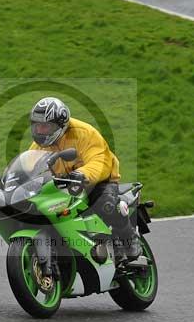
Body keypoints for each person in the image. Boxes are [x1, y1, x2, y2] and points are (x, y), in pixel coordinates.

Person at [28, 96, 141, 260]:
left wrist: (83, 174)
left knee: (106, 205)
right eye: (37, 126)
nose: (40, 131)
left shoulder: (84, 133)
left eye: (45, 126)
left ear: (60, 124)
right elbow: (28, 169)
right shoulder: (38, 146)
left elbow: (100, 160)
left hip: (98, 181)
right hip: (65, 186)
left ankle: (128, 237)